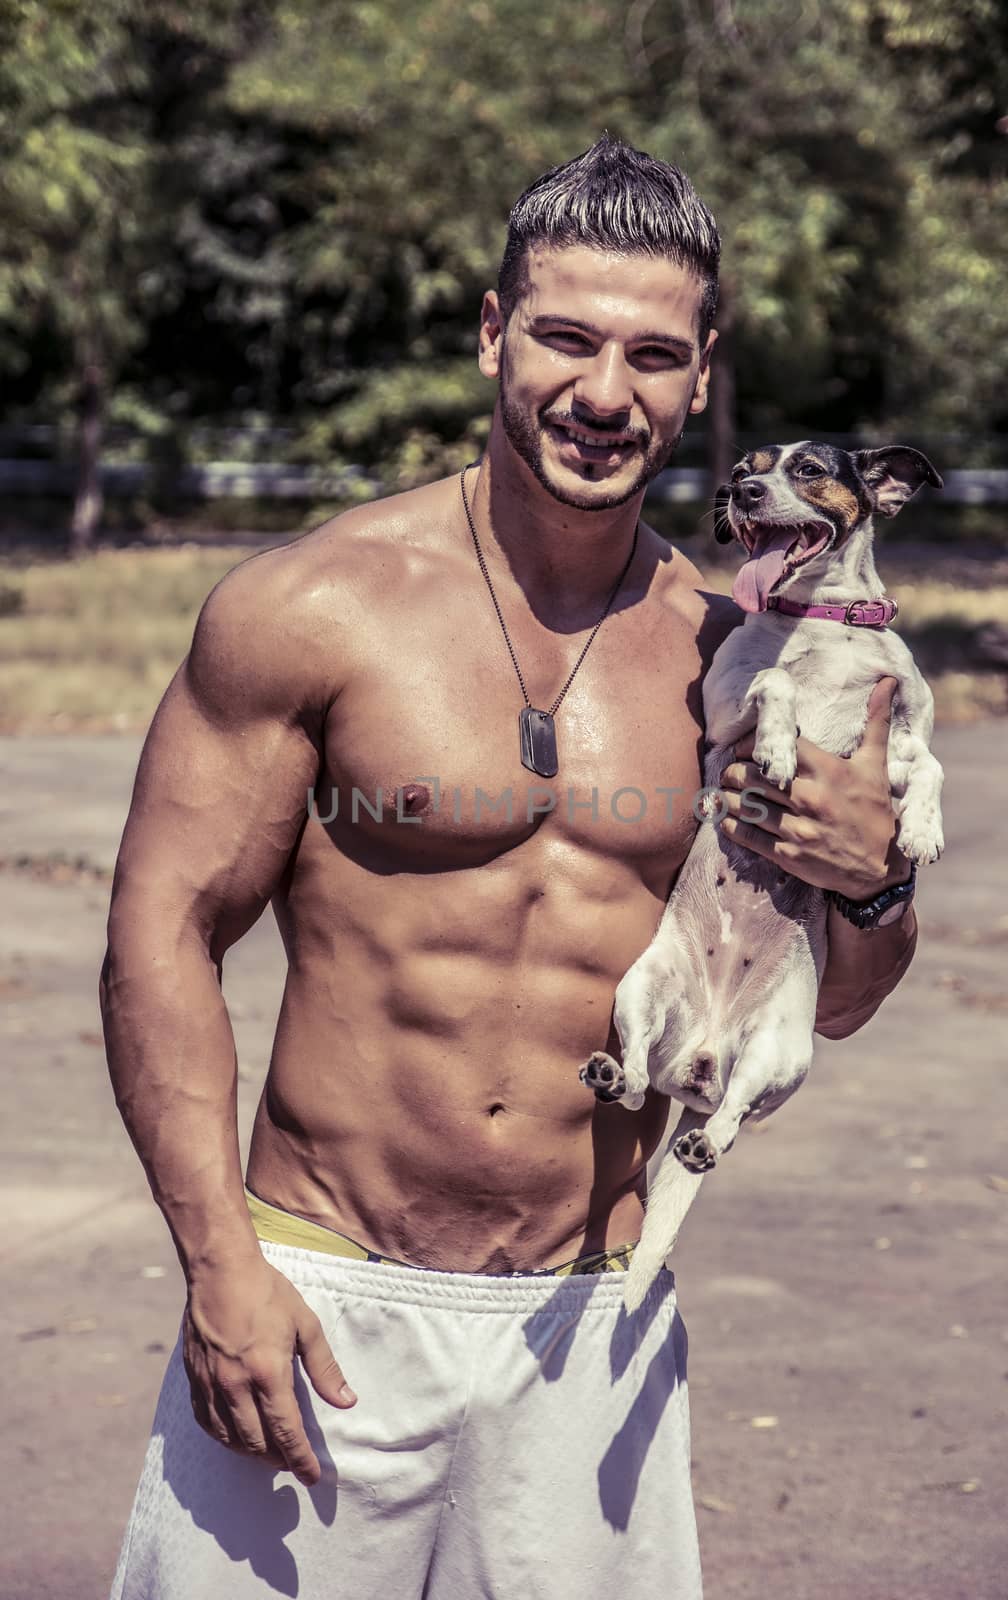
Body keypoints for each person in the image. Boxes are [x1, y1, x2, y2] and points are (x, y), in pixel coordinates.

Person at [102, 136, 917, 1600]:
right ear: (494, 335)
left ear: (701, 373)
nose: (606, 394)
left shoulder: (740, 656)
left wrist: (871, 881)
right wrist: (220, 1264)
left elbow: (843, 996)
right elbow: (164, 926)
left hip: (592, 1314)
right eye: (566, 337)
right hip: (319, 1290)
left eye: (653, 356)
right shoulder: (314, 606)